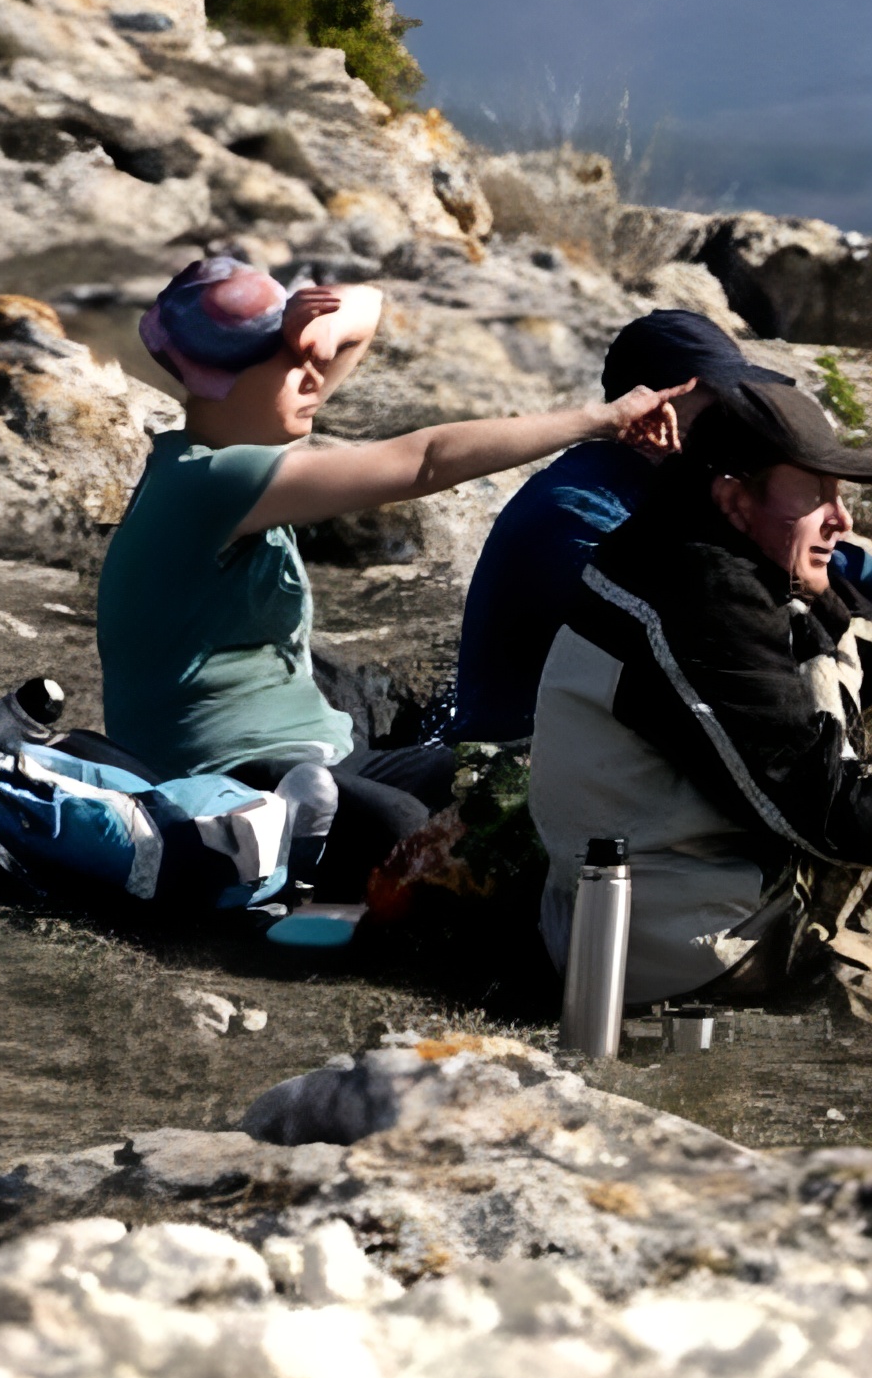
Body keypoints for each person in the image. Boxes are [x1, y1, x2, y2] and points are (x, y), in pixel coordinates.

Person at [97, 255, 684, 900]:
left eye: (311, 361)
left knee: (499, 780)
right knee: (408, 833)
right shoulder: (211, 482)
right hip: (229, 769)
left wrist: (308, 335)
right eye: (288, 364)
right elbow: (424, 462)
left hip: (322, 751)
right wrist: (601, 420)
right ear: (223, 381)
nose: (314, 377)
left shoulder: (234, 449)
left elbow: (368, 307)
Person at [530, 380, 872, 1006]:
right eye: (818, 494)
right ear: (737, 499)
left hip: (679, 894)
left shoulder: (700, 546)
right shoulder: (701, 595)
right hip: (675, 944)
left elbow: (843, 614)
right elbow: (827, 814)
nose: (841, 519)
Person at [454, 310, 802, 747]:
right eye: (718, 396)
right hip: (503, 756)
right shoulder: (577, 507)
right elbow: (672, 612)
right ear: (655, 401)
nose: (736, 413)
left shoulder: (656, 481)